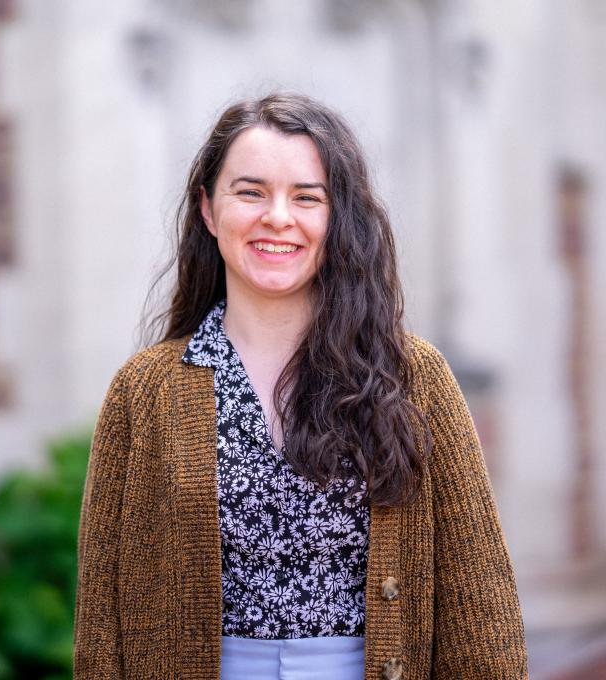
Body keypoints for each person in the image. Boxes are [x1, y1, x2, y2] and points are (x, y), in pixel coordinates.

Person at [73, 92, 528, 679]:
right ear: (209, 210)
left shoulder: (414, 378)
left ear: (338, 219)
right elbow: (101, 622)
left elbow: (479, 601)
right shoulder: (145, 391)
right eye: (251, 192)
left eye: (307, 197)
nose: (278, 217)